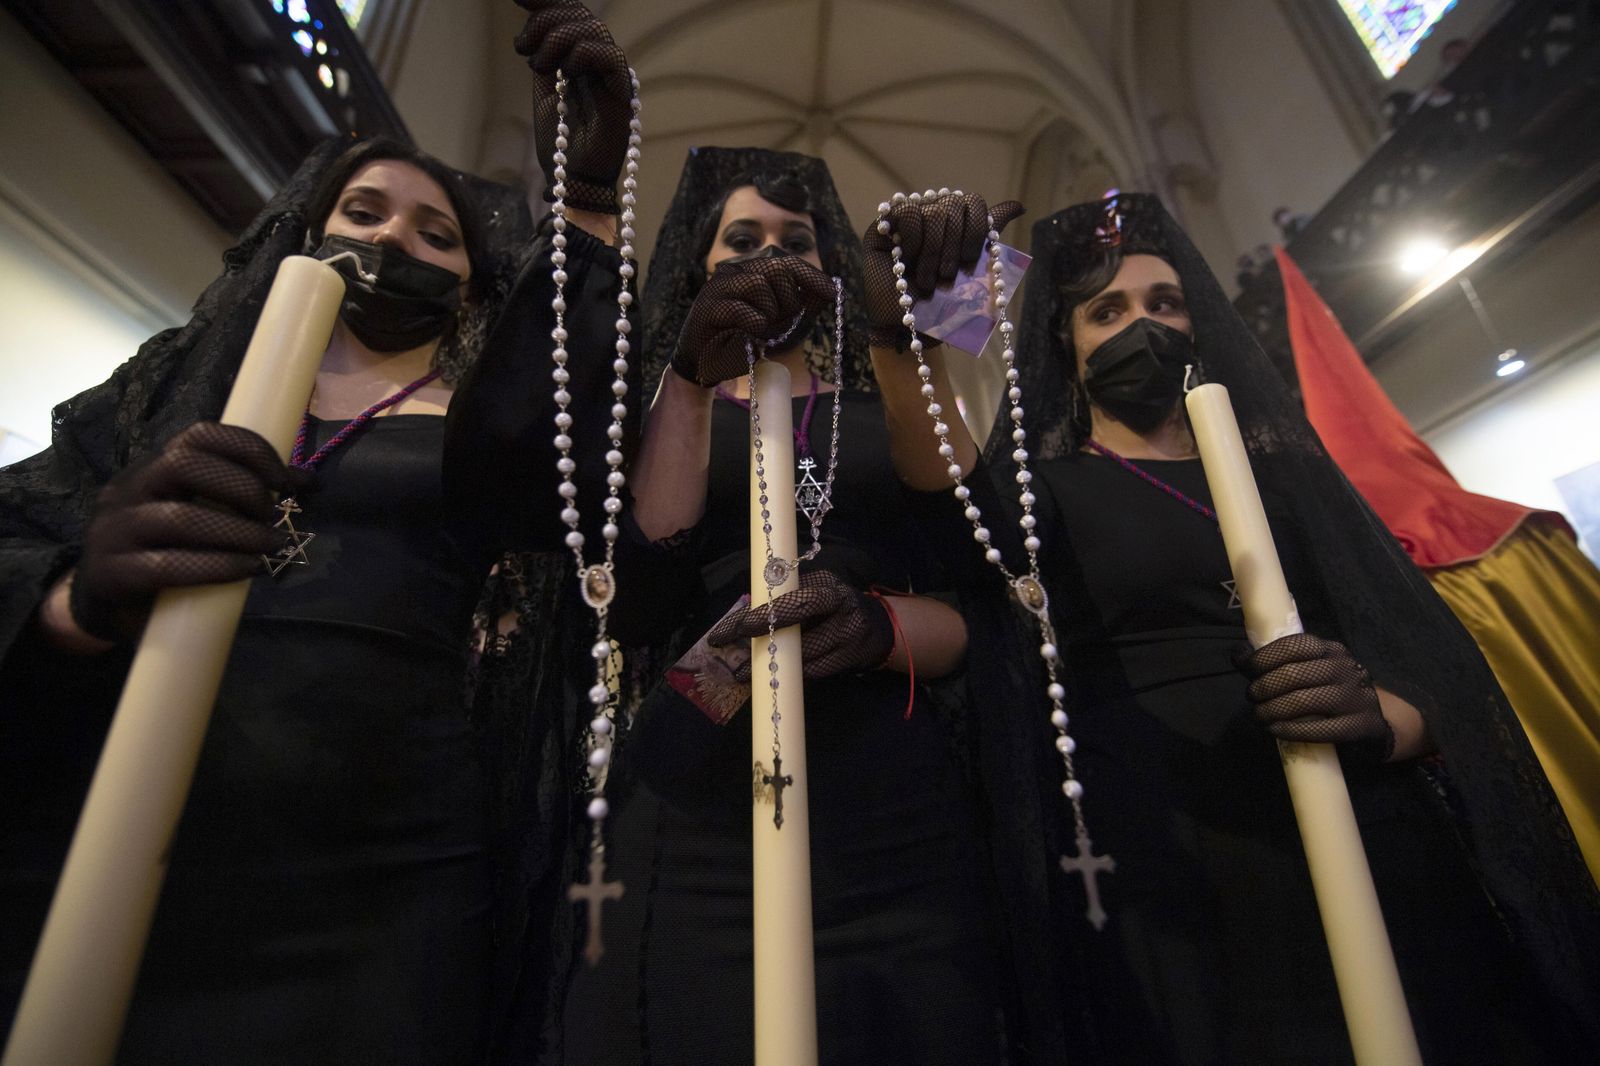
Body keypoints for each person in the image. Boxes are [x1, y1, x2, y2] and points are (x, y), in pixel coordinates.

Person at [0, 7, 637, 1058]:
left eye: (437, 233)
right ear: (306, 233)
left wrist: (585, 203)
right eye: (365, 210)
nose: (393, 238)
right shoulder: (171, 386)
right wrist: (76, 598)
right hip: (121, 828)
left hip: (387, 866)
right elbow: (24, 530)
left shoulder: (484, 424)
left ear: (473, 284)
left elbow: (561, 449)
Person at [909, 192, 1600, 1062]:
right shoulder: (1041, 493)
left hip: (1370, 819)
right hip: (1181, 848)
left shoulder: (1290, 482)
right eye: (1107, 310)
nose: (1142, 326)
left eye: (1165, 304)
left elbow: (1426, 665)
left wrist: (1379, 717)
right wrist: (925, 322)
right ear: (1064, 341)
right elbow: (937, 486)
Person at [548, 147, 1011, 1065]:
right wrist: (687, 375)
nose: (768, 254)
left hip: (897, 809)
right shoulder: (661, 413)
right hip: (707, 803)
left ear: (831, 274)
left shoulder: (883, 409)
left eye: (794, 240)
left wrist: (878, 625)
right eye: (742, 239)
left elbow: (976, 578)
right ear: (701, 267)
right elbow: (639, 591)